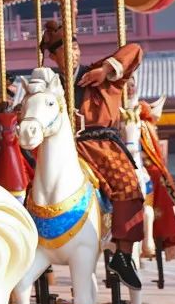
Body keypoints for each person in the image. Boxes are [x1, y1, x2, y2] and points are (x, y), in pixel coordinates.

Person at [41, 19, 146, 289]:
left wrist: (107, 70)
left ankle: (123, 254)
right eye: (65, 49)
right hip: (61, 146)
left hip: (100, 145)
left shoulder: (100, 76)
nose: (73, 53)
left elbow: (135, 50)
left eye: (75, 47)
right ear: (53, 57)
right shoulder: (49, 85)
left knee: (128, 184)